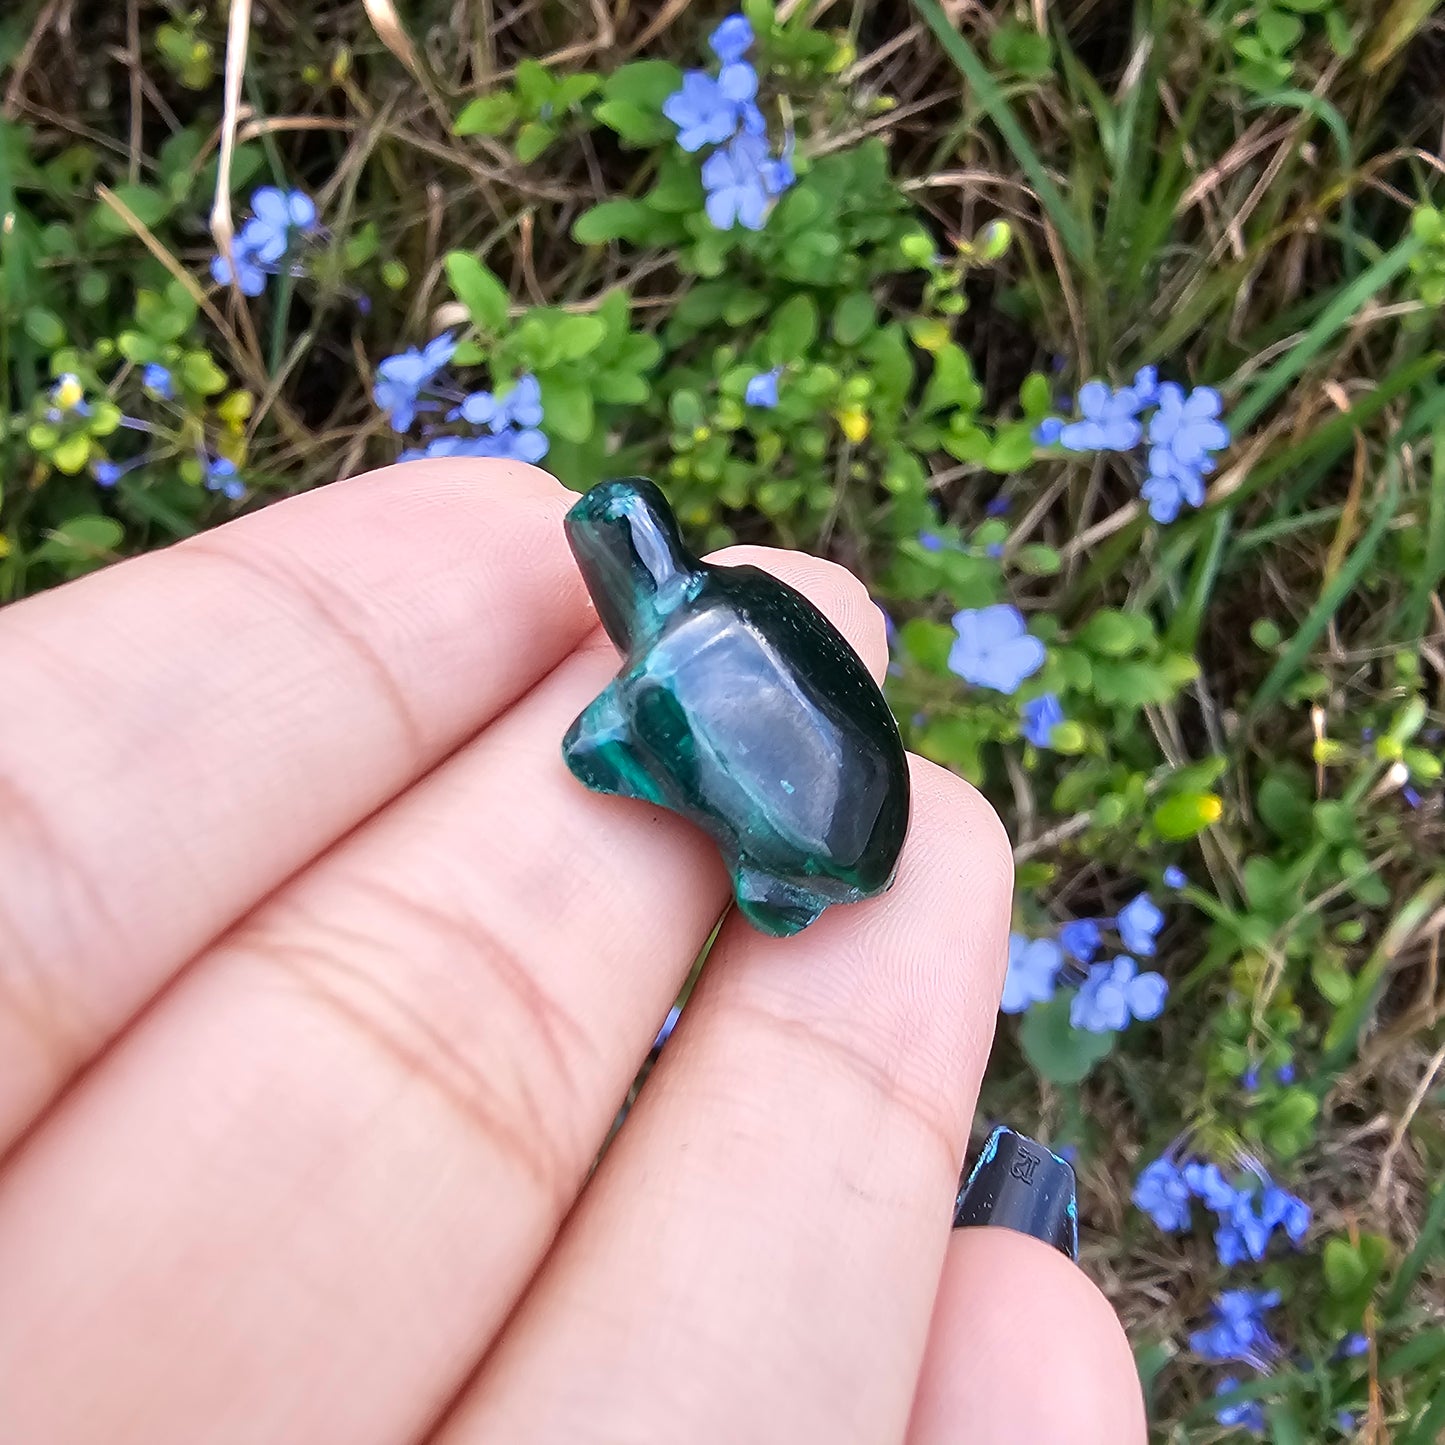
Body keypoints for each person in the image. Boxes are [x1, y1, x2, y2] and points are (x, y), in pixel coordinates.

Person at [0, 461, 1145, 1443]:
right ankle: (777, 875)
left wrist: (620, 750)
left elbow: (604, 745)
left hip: (815, 845)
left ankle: (775, 878)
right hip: (834, 825)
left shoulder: (666, 664)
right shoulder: (724, 608)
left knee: (697, 775)